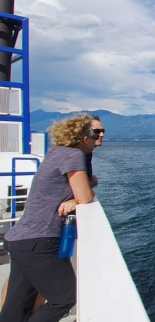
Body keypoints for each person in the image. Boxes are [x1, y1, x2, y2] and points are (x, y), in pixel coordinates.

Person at [0, 114, 98, 322]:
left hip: (20, 238)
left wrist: (75, 195)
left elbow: (86, 182)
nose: (101, 136)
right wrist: (77, 197)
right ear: (82, 136)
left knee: (17, 303)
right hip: (40, 240)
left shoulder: (56, 152)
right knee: (65, 298)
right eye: (96, 132)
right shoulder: (73, 156)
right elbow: (86, 196)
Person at [85, 114, 105, 188]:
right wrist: (93, 182)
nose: (102, 134)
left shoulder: (87, 153)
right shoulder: (76, 155)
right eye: (97, 131)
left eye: (103, 131)